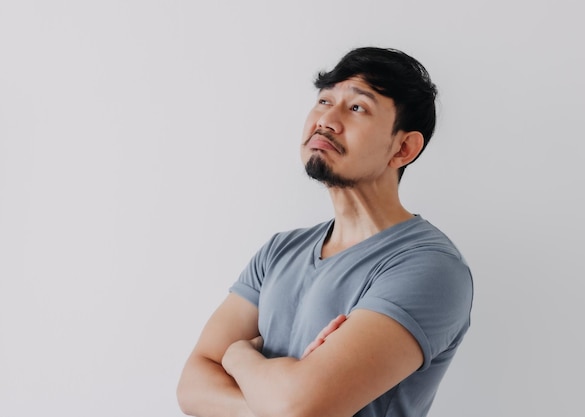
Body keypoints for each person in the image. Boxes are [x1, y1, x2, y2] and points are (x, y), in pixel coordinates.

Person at [177, 46, 473, 417]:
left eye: (357, 107)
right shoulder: (279, 251)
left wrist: (237, 357)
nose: (326, 120)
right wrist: (276, 397)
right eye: (323, 100)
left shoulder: (429, 268)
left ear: (403, 147)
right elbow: (192, 386)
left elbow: (301, 408)